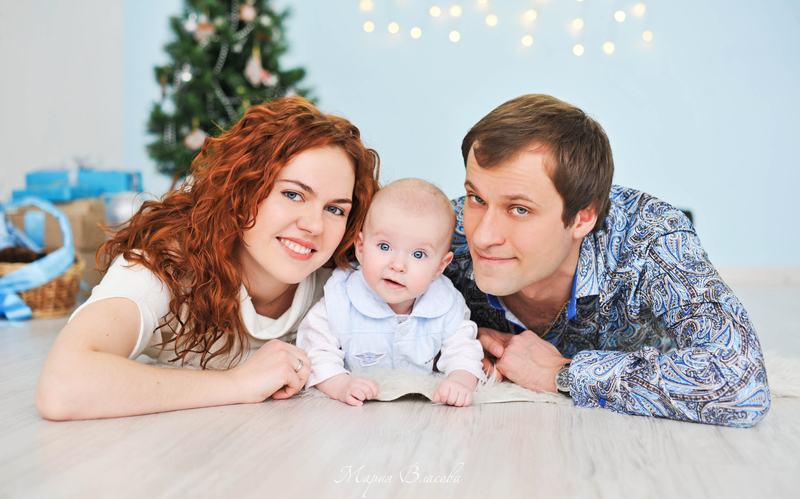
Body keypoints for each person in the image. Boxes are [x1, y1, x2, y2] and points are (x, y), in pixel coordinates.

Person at [35, 96, 380, 420]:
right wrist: (237, 384)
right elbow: (63, 385)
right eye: (292, 194)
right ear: (242, 190)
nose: (314, 225)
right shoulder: (164, 266)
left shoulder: (342, 283)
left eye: (335, 209)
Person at [444, 94, 770, 428]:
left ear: (583, 217)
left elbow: (742, 383)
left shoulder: (652, 236)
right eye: (476, 198)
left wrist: (562, 373)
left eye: (519, 209)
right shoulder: (443, 232)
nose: (482, 236)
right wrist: (448, 345)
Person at [297, 179, 486, 407]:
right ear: (361, 249)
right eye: (384, 247)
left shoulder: (445, 302)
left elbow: (465, 350)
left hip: (419, 414)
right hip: (357, 417)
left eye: (418, 254)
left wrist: (460, 381)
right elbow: (315, 349)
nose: (397, 265)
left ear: (440, 267)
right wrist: (341, 385)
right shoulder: (340, 298)